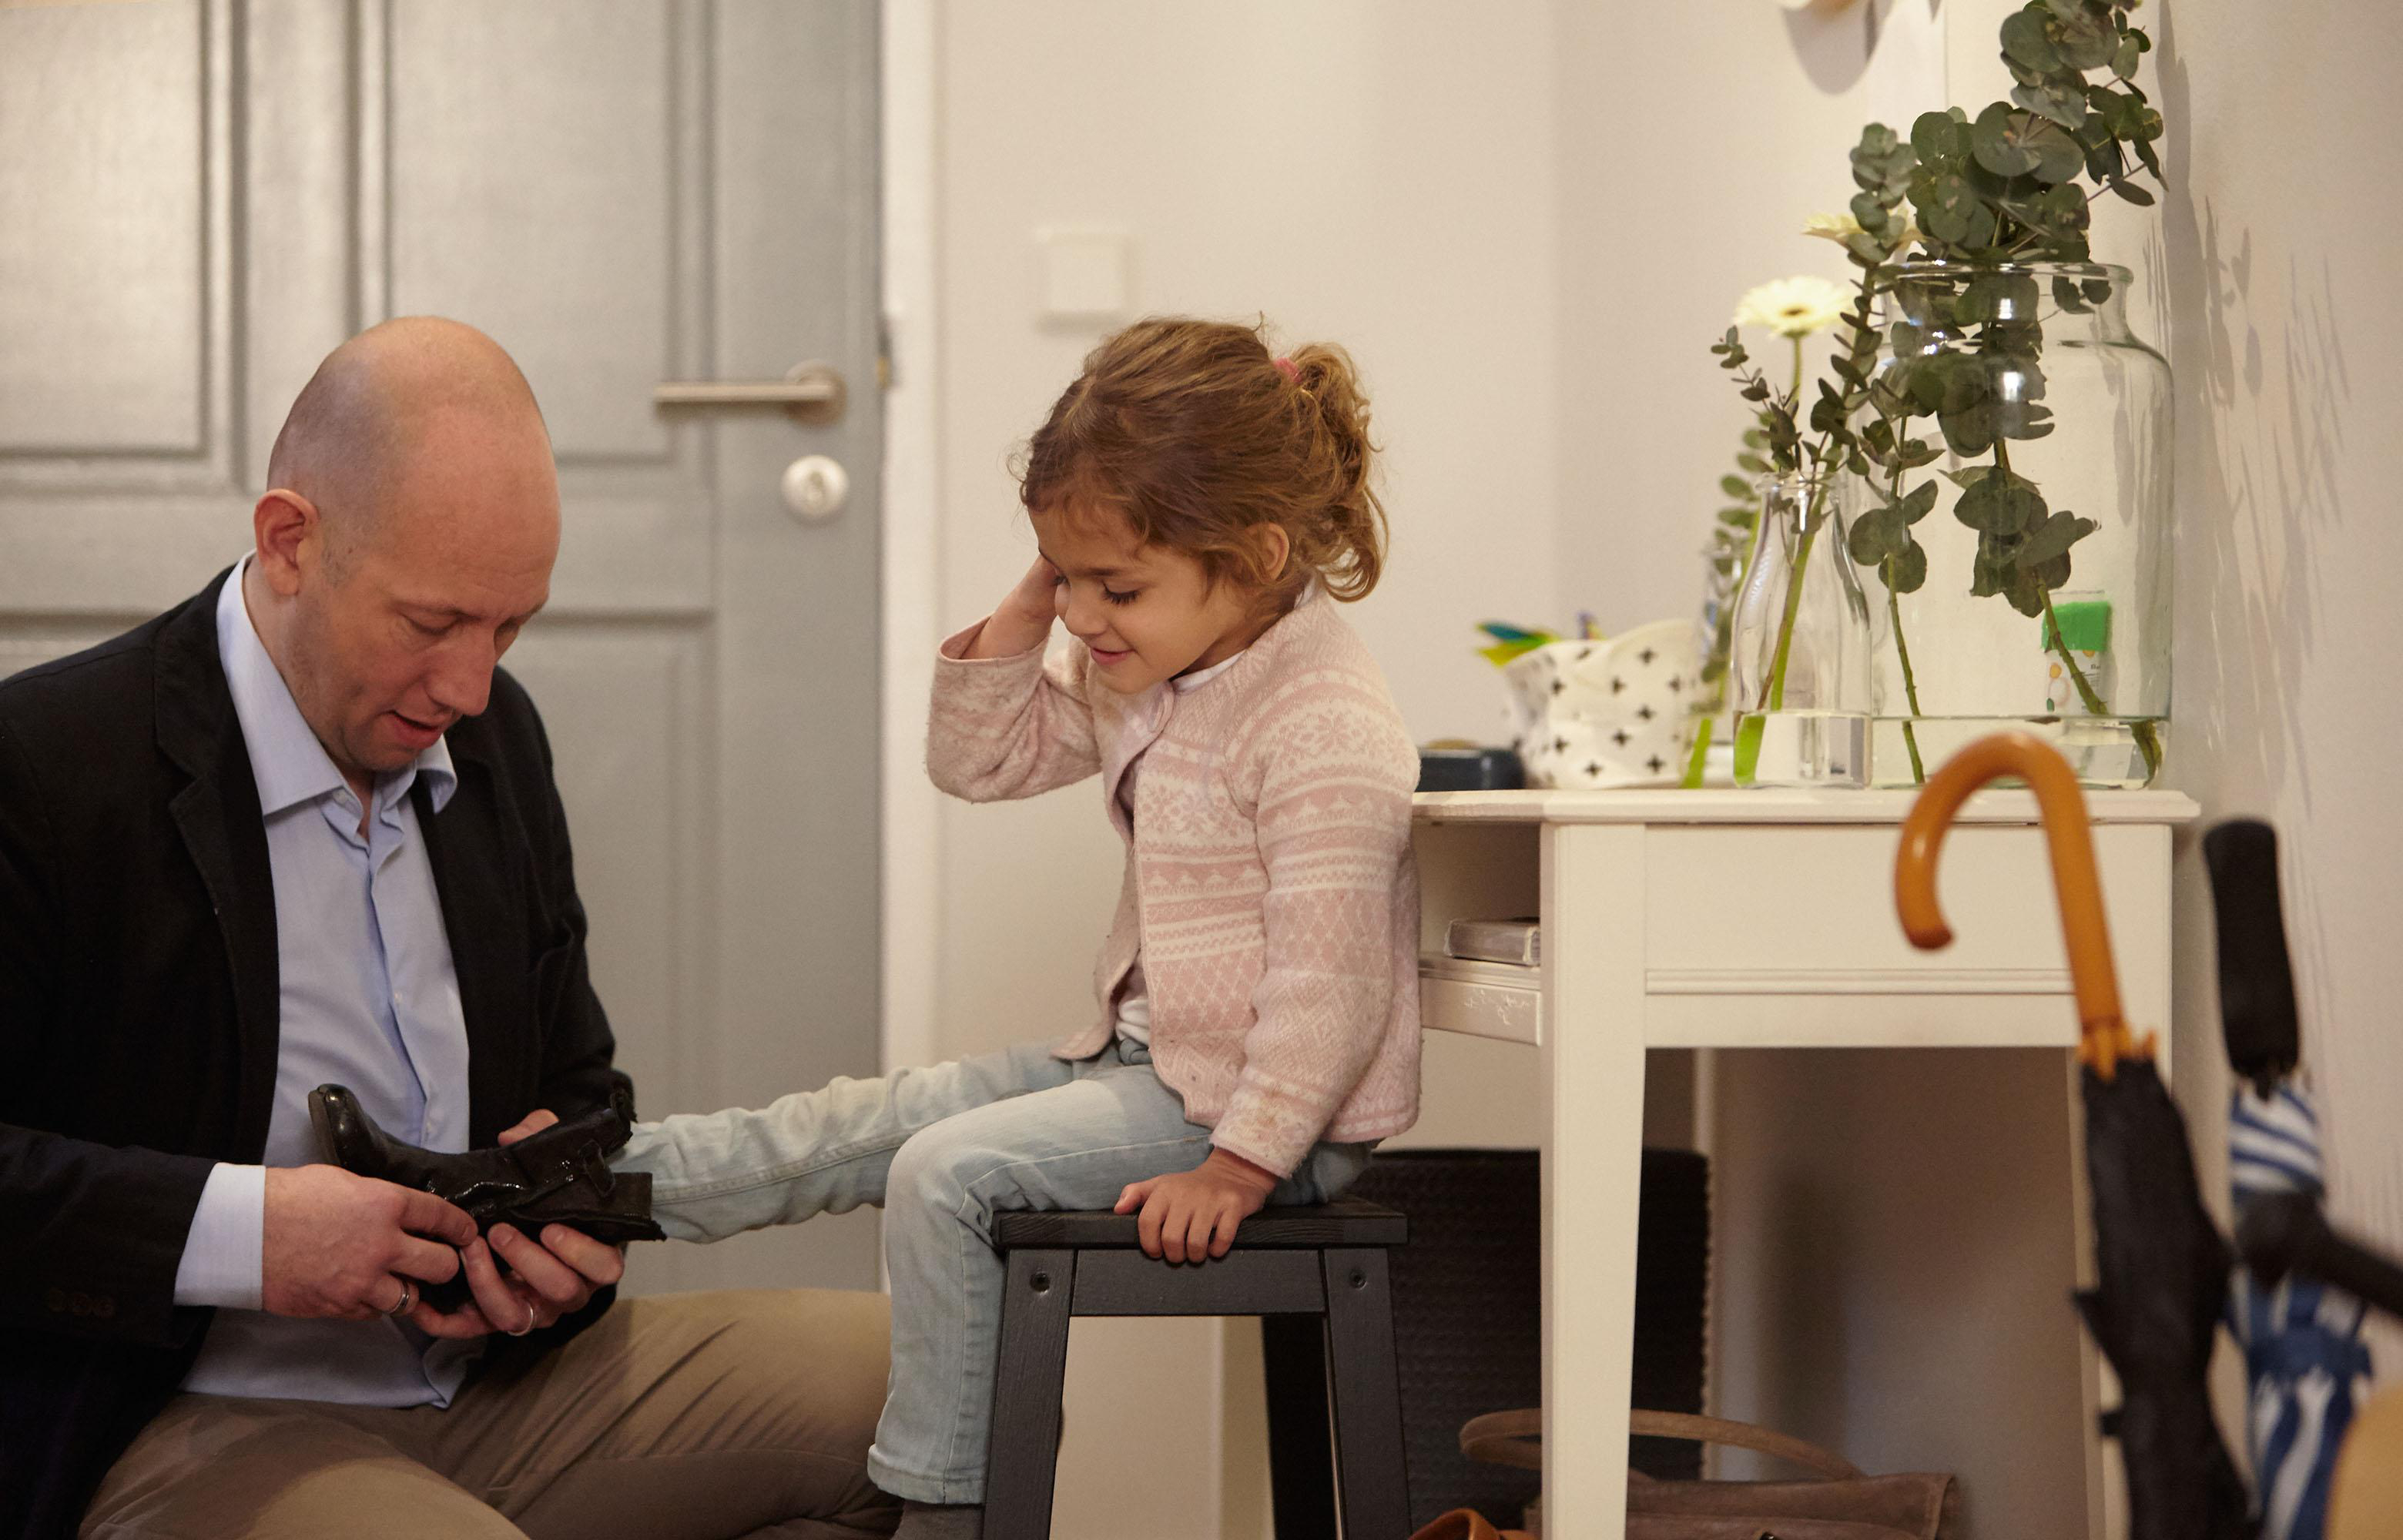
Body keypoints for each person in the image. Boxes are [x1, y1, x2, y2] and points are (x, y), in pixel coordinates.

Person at [0, 317, 898, 1540]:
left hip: (497, 1387)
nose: (471, 687)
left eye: (510, 627)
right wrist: (248, 1239)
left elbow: (584, 1084)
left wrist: (559, 1233)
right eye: (431, 625)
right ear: (289, 543)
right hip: (192, 1411)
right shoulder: (49, 768)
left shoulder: (492, 737)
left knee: (935, 1380)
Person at [613, 316, 1423, 1538]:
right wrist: (1041, 601)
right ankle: (591, 1190)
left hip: (1262, 1119)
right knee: (870, 1121)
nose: (1089, 616)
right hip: (1146, 1069)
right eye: (1069, 577)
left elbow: (1334, 988)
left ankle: (944, 1516)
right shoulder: (1149, 667)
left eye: (1120, 586)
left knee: (945, 1176)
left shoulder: (1325, 723)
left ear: (1254, 555)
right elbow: (976, 762)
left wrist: (1242, 1165)